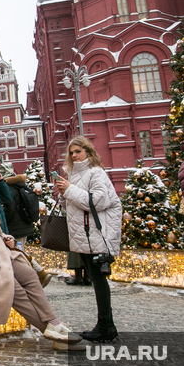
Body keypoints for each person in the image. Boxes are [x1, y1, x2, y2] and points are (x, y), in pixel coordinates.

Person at [0, 176, 76, 344]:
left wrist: (6, 239)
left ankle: (53, 322)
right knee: (14, 289)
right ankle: (48, 330)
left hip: (1, 257)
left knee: (30, 275)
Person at [54, 136, 122, 343]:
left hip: (95, 237)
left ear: (88, 153)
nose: (74, 155)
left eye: (78, 151)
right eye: (72, 152)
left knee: (99, 282)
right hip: (82, 237)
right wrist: (63, 195)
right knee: (96, 281)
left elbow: (99, 201)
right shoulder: (73, 175)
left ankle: (106, 326)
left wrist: (70, 191)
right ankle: (105, 325)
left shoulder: (96, 173)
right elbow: (75, 206)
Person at [0, 162, 53, 287]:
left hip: (15, 227)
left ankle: (38, 274)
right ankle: (36, 274)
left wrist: (3, 221)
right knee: (19, 252)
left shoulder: (9, 189)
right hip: (25, 225)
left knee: (18, 253)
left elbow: (10, 209)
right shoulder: (22, 186)